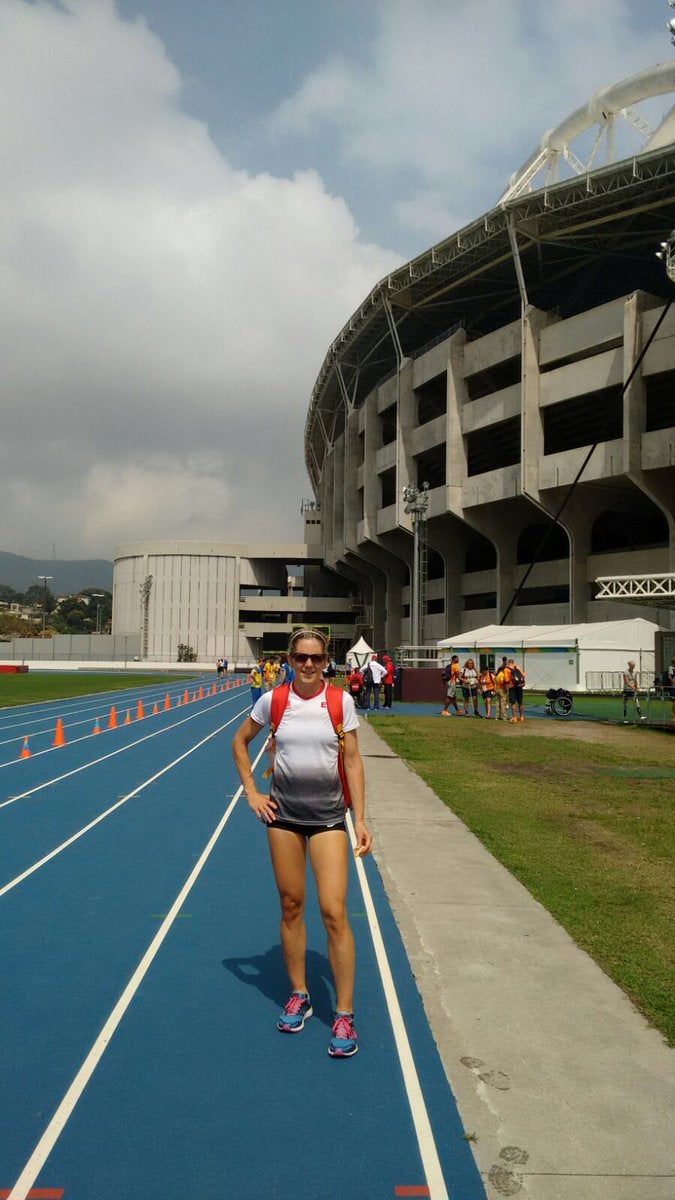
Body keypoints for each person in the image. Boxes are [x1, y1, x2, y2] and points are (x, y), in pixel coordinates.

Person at [232, 628, 372, 1059]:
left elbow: (351, 760)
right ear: (289, 660)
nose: (307, 664)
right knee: (291, 905)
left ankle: (344, 1013)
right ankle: (300, 993)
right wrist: (253, 792)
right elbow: (240, 742)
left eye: (315, 657)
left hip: (329, 818)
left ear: (326, 660)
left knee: (333, 912)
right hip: (285, 818)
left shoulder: (340, 701)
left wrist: (360, 818)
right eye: (299, 657)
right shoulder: (272, 700)